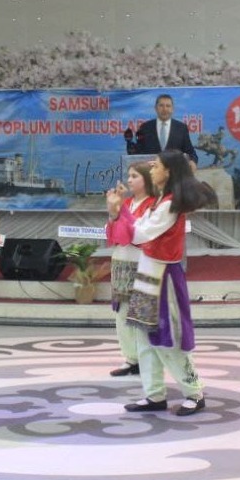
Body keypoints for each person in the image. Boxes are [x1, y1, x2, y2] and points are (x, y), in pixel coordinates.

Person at [115, 151, 209, 416]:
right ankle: (154, 394)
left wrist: (120, 211)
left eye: (156, 166)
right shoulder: (161, 202)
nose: (152, 169)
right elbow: (138, 229)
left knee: (170, 338)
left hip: (163, 277)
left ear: (168, 172)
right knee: (144, 337)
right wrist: (122, 211)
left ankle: (194, 392)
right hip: (148, 274)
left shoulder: (169, 205)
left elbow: (140, 233)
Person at [104, 160, 157, 378]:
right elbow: (112, 234)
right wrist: (113, 213)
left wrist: (118, 212)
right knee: (122, 312)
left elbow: (136, 234)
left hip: (143, 262)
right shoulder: (127, 202)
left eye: (135, 176)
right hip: (121, 260)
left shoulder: (154, 205)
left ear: (147, 179)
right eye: (129, 176)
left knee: (142, 313)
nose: (129, 180)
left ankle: (147, 359)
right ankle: (130, 358)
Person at [127, 94, 199, 165]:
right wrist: (131, 148)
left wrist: (192, 163)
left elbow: (191, 153)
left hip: (175, 171)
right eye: (161, 105)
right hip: (152, 171)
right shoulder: (145, 127)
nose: (165, 109)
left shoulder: (181, 128)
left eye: (168, 106)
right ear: (155, 108)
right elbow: (138, 153)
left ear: (172, 109)